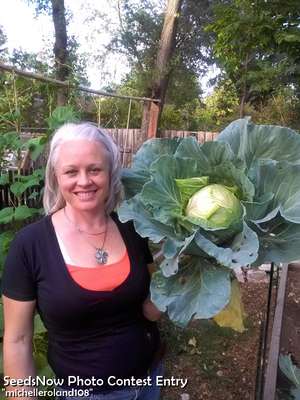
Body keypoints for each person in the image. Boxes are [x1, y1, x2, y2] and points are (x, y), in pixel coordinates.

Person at [1, 122, 164, 400]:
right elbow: (17, 341)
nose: (84, 181)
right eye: (71, 171)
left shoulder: (132, 228)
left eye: (95, 169)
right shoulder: (30, 246)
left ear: (110, 172)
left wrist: (184, 267)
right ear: (56, 176)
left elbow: (151, 310)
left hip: (149, 380)